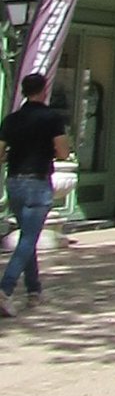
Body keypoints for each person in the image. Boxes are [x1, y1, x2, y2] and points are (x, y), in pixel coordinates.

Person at [0, 70, 70, 315]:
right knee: (29, 239)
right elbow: (63, 151)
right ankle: (5, 289)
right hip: (38, 182)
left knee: (27, 237)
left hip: (14, 181)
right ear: (44, 90)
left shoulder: (12, 120)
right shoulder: (52, 118)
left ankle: (34, 291)